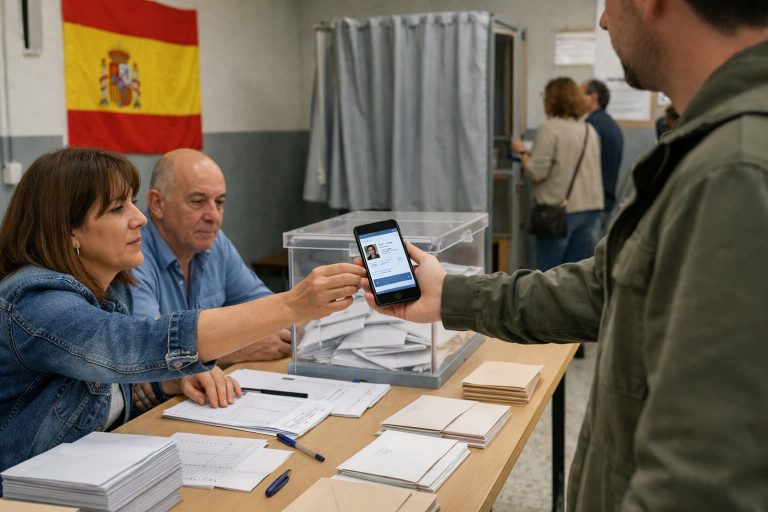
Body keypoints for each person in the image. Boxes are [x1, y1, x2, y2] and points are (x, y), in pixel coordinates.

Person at [359, 1, 768, 510]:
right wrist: (450, 294)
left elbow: (707, 482)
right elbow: (602, 289)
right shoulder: (712, 147)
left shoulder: (734, 169)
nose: (602, 21)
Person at [0, 148, 364, 489]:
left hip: (95, 478)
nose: (139, 218)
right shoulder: (36, 301)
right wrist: (293, 303)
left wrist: (169, 384)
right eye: (116, 209)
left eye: (134, 203)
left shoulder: (112, 289)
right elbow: (133, 347)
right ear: (69, 230)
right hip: (29, 496)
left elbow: (113, 393)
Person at [129, 149, 293, 411]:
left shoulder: (214, 242)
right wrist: (236, 350)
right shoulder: (133, 255)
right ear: (157, 204)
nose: (213, 215)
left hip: (201, 402)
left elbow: (267, 309)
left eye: (219, 202)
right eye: (197, 201)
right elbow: (146, 357)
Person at [511, 77, 603, 271]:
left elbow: (537, 173)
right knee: (578, 275)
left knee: (550, 275)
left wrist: (521, 152)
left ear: (552, 99)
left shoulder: (550, 129)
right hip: (590, 211)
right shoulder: (589, 130)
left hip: (558, 214)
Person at [582, 78, 624, 231]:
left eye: (580, 94)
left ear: (593, 97)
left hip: (593, 203)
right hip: (607, 198)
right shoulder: (612, 125)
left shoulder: (591, 127)